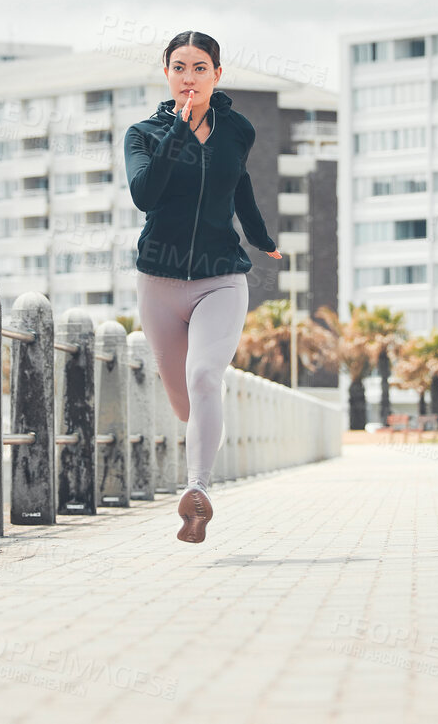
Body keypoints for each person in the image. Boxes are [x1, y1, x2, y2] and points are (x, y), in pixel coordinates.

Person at [124, 31, 281, 544]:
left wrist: (261, 240)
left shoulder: (238, 129)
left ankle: (198, 493)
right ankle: (205, 448)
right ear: (166, 73)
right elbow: (146, 195)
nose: (188, 78)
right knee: (183, 398)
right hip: (159, 281)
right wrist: (179, 131)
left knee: (205, 376)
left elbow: (240, 188)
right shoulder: (143, 134)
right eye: (179, 67)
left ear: (218, 73)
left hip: (221, 276)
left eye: (199, 68)